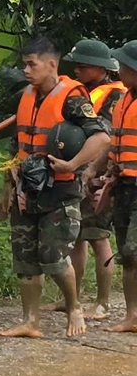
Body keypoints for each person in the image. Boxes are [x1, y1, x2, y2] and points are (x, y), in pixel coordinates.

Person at [0, 37, 108, 339]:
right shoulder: (27, 96)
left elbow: (101, 138)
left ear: (52, 64)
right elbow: (17, 146)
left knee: (55, 259)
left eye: (32, 64)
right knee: (26, 260)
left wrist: (72, 165)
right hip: (26, 190)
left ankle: (74, 307)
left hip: (60, 191)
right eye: (24, 64)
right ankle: (30, 321)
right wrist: (7, 188)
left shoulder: (72, 97)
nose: (26, 70)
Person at [66, 39, 125, 317]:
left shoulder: (116, 96)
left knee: (99, 237)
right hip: (77, 171)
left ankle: (102, 303)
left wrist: (97, 175)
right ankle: (73, 299)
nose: (76, 70)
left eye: (82, 66)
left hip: (100, 174)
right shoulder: (83, 92)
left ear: (100, 69)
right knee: (76, 236)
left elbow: (107, 139)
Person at [104, 42, 137, 334]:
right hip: (124, 184)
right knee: (128, 253)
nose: (120, 69)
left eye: (125, 66)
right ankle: (132, 316)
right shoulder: (124, 100)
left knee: (133, 251)